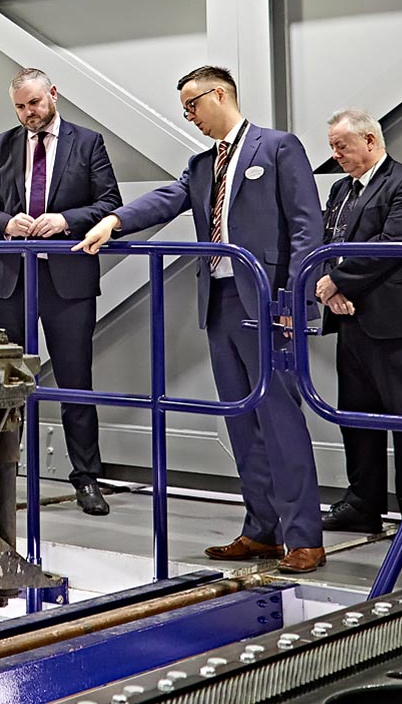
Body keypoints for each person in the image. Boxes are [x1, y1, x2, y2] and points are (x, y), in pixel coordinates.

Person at [76, 66, 326, 572]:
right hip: (220, 300)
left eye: (192, 105)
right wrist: (113, 220)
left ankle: (304, 536)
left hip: (266, 303)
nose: (189, 116)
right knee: (241, 420)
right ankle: (261, 530)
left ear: (219, 95)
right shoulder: (201, 164)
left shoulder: (277, 147)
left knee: (280, 420)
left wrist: (293, 302)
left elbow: (306, 227)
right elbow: (166, 200)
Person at [0, 68, 122, 515]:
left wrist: (66, 220)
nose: (28, 114)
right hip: (11, 280)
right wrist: (5, 223)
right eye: (19, 107)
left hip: (67, 281)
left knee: (76, 382)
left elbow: (109, 202)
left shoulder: (87, 142)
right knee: (6, 383)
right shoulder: (1, 145)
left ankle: (86, 478)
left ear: (53, 94)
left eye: (34, 103)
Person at [314, 109, 402, 546]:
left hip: (396, 319)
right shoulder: (340, 190)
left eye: (342, 146)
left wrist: (339, 279)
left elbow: (395, 243)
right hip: (349, 316)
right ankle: (362, 504)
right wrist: (329, 288)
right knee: (355, 416)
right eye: (333, 147)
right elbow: (327, 242)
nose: (335, 156)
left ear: (370, 141)